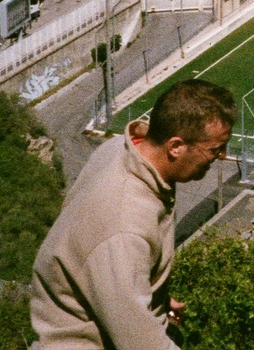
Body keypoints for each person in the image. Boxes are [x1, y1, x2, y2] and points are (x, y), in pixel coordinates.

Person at [32, 80, 236, 349]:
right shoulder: (124, 225)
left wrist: (148, 293)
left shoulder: (121, 149)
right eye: (214, 149)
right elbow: (141, 343)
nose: (222, 156)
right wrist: (131, 298)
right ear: (175, 146)